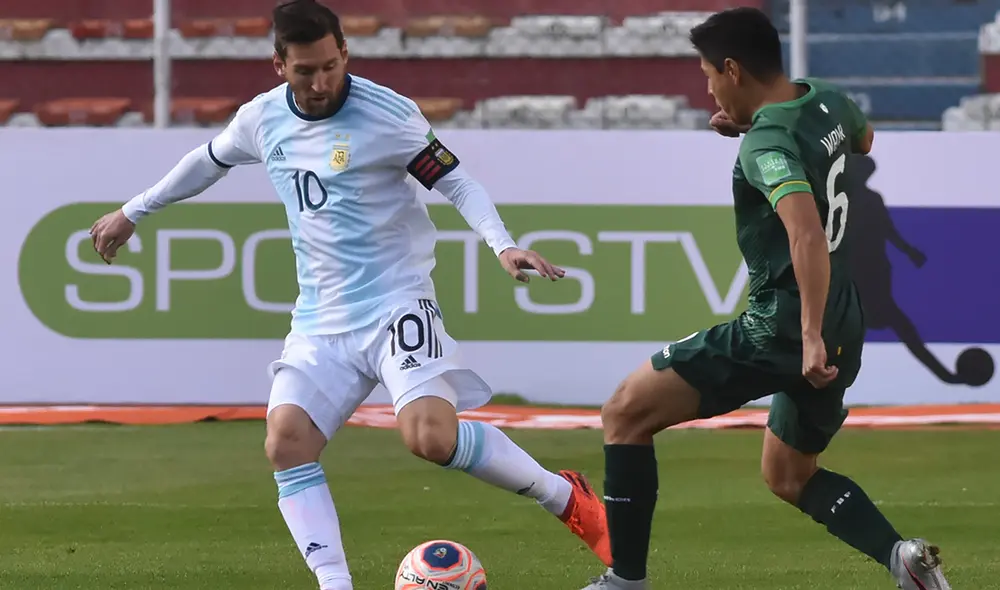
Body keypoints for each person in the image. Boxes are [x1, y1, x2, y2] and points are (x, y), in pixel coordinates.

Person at [88, 1, 611, 588]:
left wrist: (501, 244)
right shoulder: (261, 119)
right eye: (305, 70)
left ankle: (560, 494)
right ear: (278, 65)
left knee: (430, 438)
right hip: (319, 318)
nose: (320, 83)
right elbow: (208, 161)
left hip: (396, 301)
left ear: (345, 54)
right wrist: (134, 210)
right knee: (286, 443)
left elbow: (455, 179)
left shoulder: (388, 114)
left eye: (331, 66)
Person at [581, 8, 950, 590]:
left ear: (732, 69)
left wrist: (804, 335)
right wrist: (760, 127)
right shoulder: (824, 99)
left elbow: (804, 232)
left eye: (707, 74)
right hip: (844, 321)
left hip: (783, 327)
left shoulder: (767, 140)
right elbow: (864, 138)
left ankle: (625, 581)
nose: (707, 87)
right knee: (789, 474)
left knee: (625, 412)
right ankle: (901, 558)